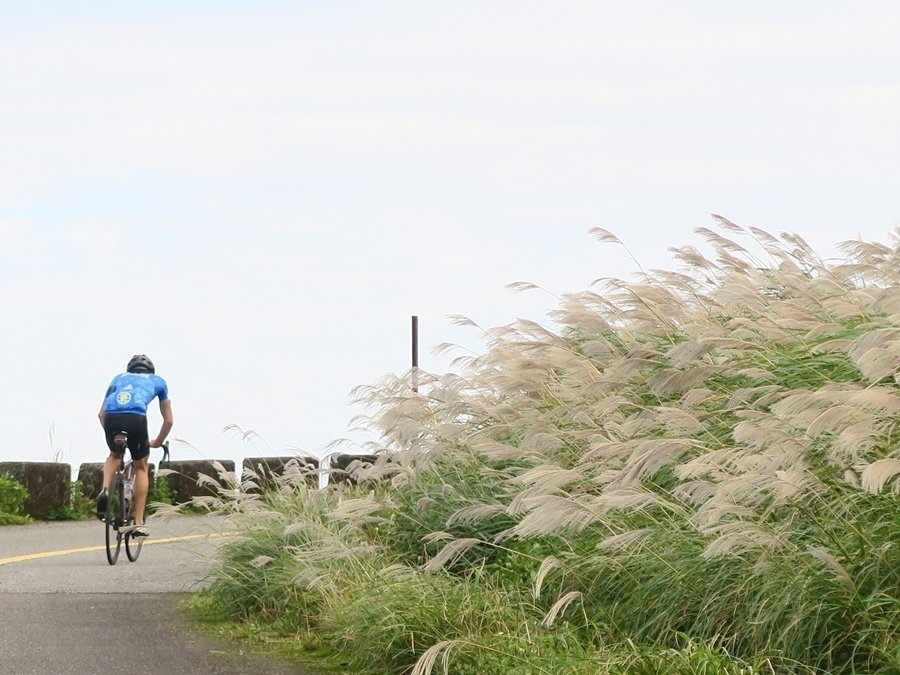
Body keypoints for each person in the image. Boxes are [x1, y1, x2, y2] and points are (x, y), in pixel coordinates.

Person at [96, 354, 173, 538]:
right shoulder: (158, 381)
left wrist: (113, 438)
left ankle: (105, 489)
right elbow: (169, 421)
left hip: (112, 418)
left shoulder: (118, 378)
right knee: (141, 466)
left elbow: (100, 414)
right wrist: (158, 442)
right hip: (136, 418)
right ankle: (138, 523)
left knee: (114, 456)